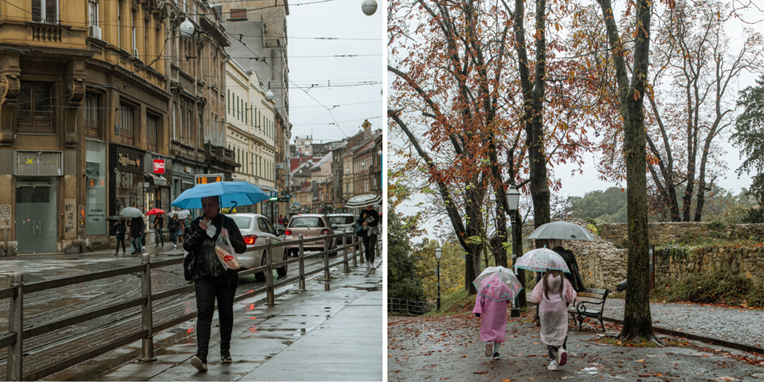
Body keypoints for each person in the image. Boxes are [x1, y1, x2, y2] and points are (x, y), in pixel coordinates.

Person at [184, 196, 246, 372]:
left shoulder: (228, 223)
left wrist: (229, 238)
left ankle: (225, 349)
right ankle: (201, 355)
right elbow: (187, 246)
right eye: (204, 205)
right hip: (203, 276)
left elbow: (242, 247)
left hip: (226, 275)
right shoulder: (196, 224)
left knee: (226, 311)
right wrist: (200, 232)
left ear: (218, 204)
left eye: (211, 205)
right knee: (204, 313)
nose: (207, 208)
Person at [530, 269, 577, 371]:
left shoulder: (544, 280)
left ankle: (552, 361)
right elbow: (570, 297)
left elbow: (535, 296)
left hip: (545, 310)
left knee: (548, 333)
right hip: (560, 309)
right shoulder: (564, 280)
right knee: (560, 330)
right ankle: (560, 348)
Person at [472, 276, 512, 360]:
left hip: (488, 311)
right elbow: (508, 297)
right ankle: (496, 353)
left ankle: (488, 341)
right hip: (501, 311)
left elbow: (480, 298)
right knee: (499, 330)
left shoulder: (485, 285)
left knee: (488, 328)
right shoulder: (503, 285)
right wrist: (505, 303)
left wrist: (478, 312)